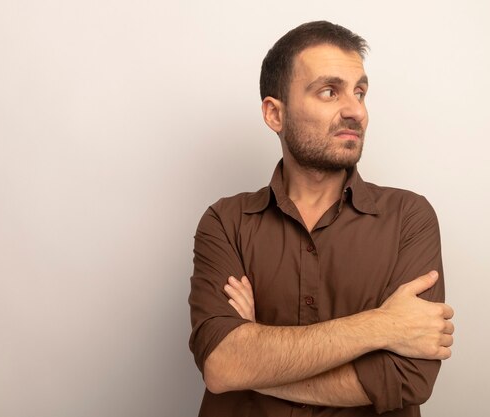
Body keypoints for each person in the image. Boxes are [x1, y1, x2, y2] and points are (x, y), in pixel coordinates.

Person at [188, 21, 454, 417]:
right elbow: (222, 364)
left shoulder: (408, 218)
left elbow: (406, 376)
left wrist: (256, 355)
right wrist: (383, 325)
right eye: (330, 91)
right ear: (274, 113)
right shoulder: (226, 222)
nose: (355, 110)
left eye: (360, 92)